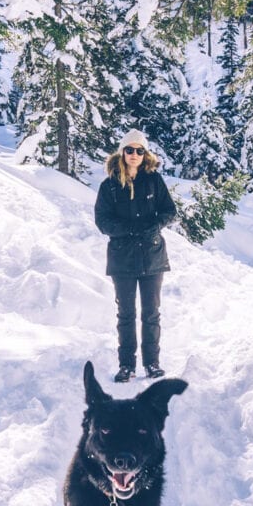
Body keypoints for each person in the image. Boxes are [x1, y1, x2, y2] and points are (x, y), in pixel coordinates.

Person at [94, 128, 177, 382]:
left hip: (152, 256)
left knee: (151, 313)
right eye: (129, 150)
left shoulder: (154, 181)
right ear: (122, 152)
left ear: (145, 154)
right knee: (126, 314)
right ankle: (126, 365)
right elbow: (102, 221)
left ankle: (152, 363)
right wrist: (129, 230)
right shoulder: (109, 186)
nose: (134, 154)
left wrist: (153, 227)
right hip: (122, 259)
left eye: (139, 150)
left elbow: (170, 212)